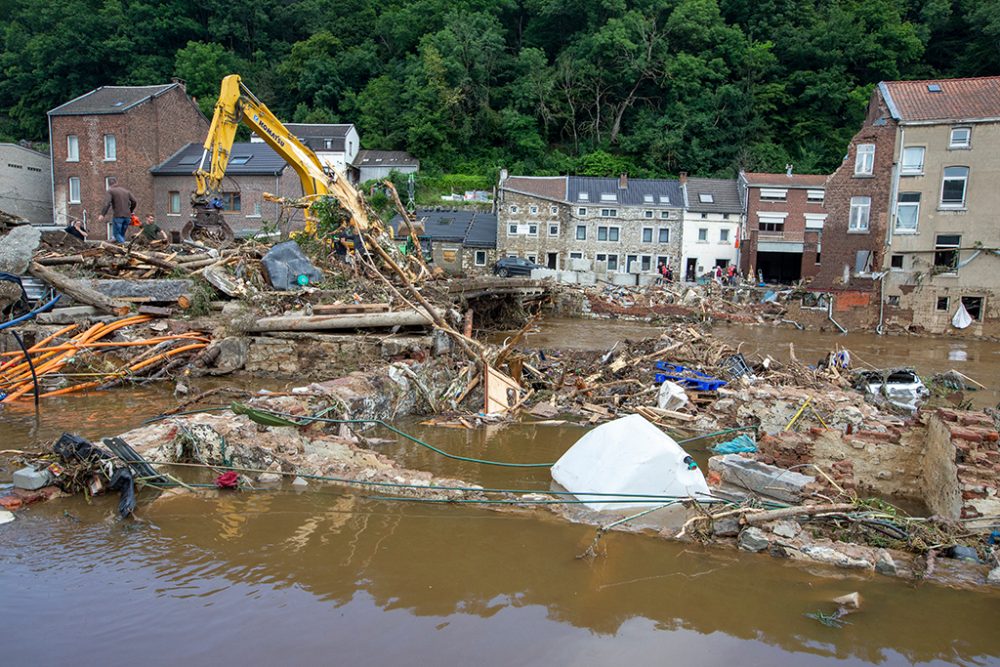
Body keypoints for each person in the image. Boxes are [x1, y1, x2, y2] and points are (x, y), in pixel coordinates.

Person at [98, 177, 136, 243]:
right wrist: (131, 210)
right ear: (117, 182)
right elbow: (134, 201)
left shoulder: (110, 191)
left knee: (116, 234)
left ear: (109, 184)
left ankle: (124, 248)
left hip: (118, 216)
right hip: (127, 217)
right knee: (121, 235)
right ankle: (121, 249)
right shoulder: (126, 191)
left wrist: (102, 214)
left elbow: (107, 203)